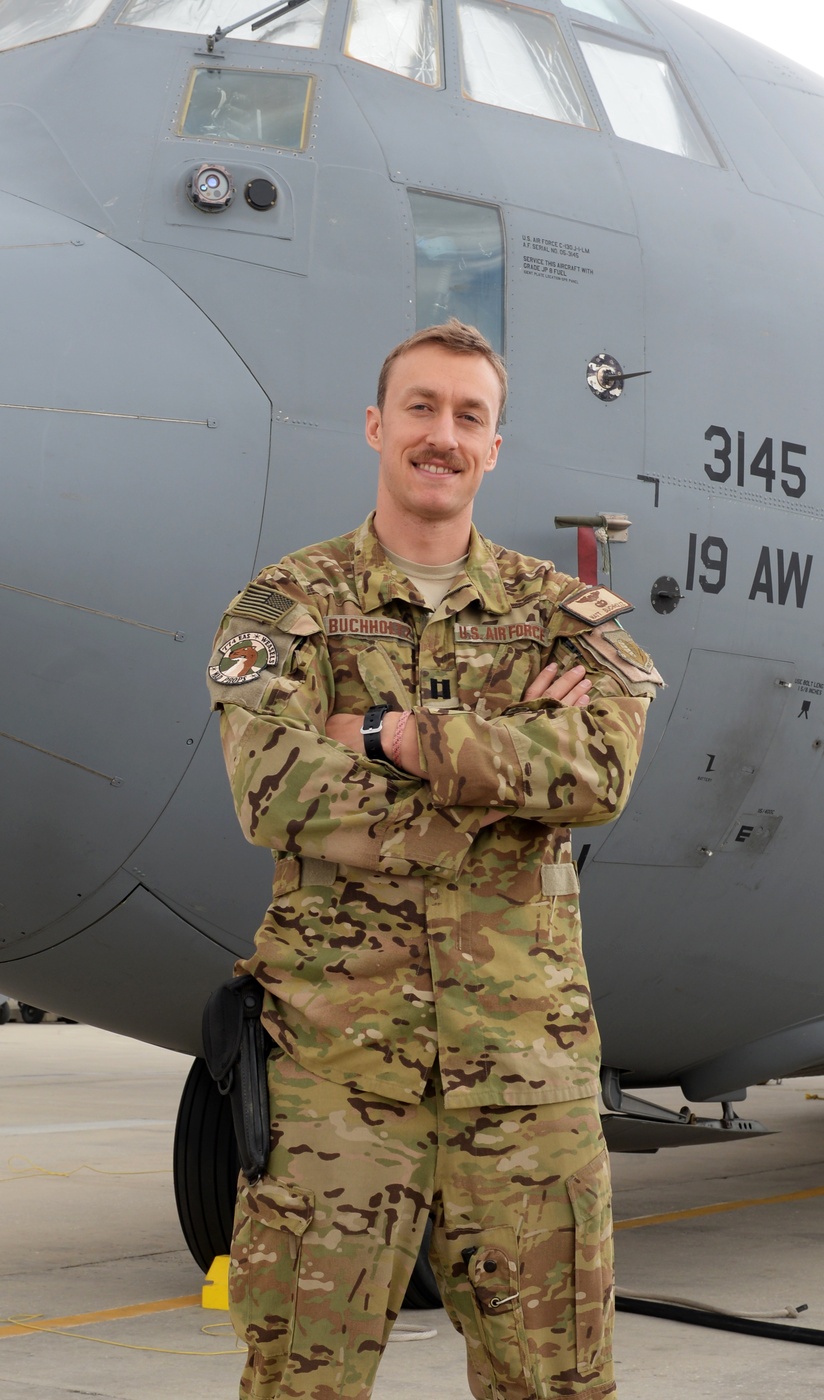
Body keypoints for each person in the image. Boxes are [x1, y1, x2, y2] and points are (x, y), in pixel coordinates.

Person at [206, 320, 661, 1400]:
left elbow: (601, 772)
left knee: (556, 1381)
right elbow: (276, 790)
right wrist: (510, 789)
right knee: (299, 1381)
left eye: (468, 416)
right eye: (420, 407)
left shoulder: (563, 619)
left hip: (525, 1077)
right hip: (336, 1078)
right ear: (376, 425)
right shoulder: (290, 609)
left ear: (493, 447)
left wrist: (402, 737)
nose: (441, 434)